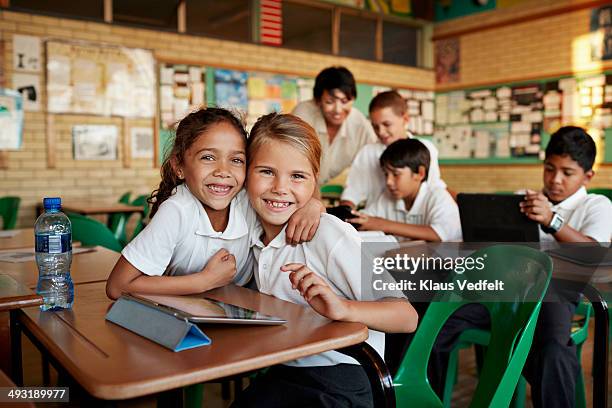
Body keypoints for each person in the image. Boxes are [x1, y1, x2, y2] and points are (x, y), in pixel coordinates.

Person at [231, 113, 417, 408]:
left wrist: (343, 308)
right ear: (246, 173)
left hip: (344, 378)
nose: (280, 187)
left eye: (297, 176)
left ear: (314, 180)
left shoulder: (327, 234)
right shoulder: (248, 227)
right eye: (266, 171)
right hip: (284, 369)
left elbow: (406, 317)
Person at [428, 126, 612, 408]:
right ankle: (429, 400)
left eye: (567, 172)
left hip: (554, 296)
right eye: (549, 169)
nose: (555, 180)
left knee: (552, 353)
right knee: (435, 324)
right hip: (503, 292)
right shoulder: (521, 201)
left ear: (588, 176)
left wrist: (552, 220)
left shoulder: (596, 205)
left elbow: (590, 252)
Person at [106, 108, 323, 300]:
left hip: (242, 314)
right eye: (208, 157)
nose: (223, 171)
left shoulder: (246, 200)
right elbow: (117, 286)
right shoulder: (177, 211)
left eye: (236, 160)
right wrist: (203, 281)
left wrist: (314, 204)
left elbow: (288, 192)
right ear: (179, 166)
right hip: (180, 319)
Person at [341, 90, 447, 209]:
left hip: (416, 221)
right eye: (375, 126)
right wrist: (344, 214)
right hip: (376, 219)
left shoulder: (426, 149)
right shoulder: (367, 153)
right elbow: (352, 192)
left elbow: (434, 186)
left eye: (387, 124)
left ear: (405, 119)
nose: (380, 132)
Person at [348, 138, 461, 242]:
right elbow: (368, 219)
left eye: (396, 174)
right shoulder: (387, 198)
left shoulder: (437, 196)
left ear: (419, 173)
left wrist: (383, 224)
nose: (388, 181)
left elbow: (440, 234)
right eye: (386, 174)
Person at [292, 66, 377, 186]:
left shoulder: (360, 125)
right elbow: (290, 160)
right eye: (329, 102)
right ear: (318, 101)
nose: (338, 110)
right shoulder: (303, 114)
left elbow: (373, 161)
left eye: (344, 101)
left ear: (353, 99)